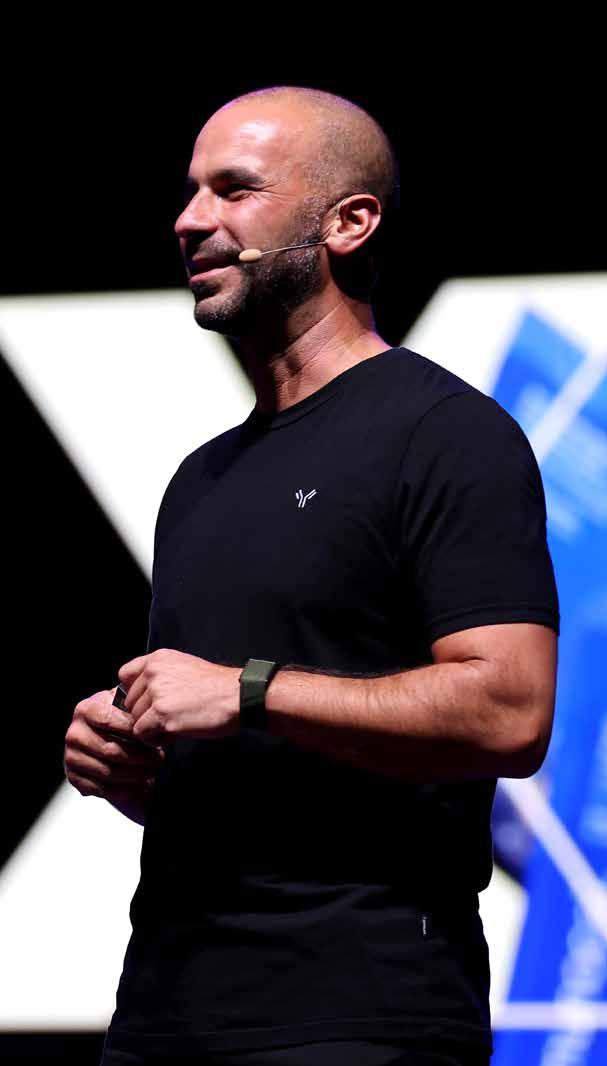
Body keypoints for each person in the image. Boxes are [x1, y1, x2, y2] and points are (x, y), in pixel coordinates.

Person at [64, 86, 560, 1066]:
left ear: (348, 223)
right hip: (165, 1012)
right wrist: (134, 767)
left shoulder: (445, 436)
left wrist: (248, 689)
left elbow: (510, 711)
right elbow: (259, 756)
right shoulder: (201, 478)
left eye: (234, 190)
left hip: (358, 1014)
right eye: (190, 191)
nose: (190, 219)